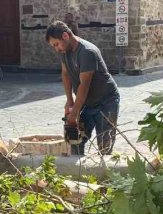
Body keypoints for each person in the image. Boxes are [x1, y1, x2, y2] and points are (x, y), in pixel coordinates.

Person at [45, 20, 120, 156]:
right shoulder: (64, 52)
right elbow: (65, 73)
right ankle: (77, 171)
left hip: (106, 101)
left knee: (105, 144)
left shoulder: (87, 52)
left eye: (56, 44)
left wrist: (74, 114)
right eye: (53, 46)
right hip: (86, 102)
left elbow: (84, 86)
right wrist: (69, 101)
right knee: (74, 139)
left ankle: (105, 174)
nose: (57, 49)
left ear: (66, 36)